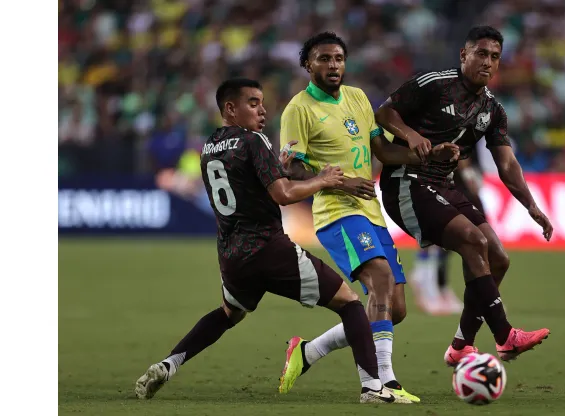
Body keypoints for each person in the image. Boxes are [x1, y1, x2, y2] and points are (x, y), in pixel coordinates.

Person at [135, 78, 402, 404]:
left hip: (231, 254)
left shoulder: (209, 147)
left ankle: (169, 363)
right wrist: (322, 180)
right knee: (350, 304)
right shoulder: (253, 140)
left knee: (228, 313)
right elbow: (283, 194)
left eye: (262, 102)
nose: (262, 110)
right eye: (252, 103)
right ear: (230, 108)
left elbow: (267, 178)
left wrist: (292, 169)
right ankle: (373, 386)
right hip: (267, 247)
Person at [278, 32, 458, 403]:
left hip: (370, 212)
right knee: (379, 278)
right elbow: (292, 169)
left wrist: (428, 156)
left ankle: (308, 351)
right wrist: (339, 182)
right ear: (308, 64)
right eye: (324, 59)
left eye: (339, 58)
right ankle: (381, 383)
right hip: (335, 213)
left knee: (395, 308)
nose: (333, 65)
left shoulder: (358, 98)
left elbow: (382, 151)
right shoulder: (298, 109)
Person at [375, 26, 554, 366]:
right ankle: (505, 336)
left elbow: (507, 162)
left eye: (495, 57)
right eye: (482, 54)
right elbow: (384, 112)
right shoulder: (434, 83)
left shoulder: (493, 109)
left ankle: (461, 345)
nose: (488, 62)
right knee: (473, 241)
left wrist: (532, 206)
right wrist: (411, 135)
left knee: (499, 257)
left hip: (444, 185)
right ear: (464, 55)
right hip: (406, 182)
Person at [411, 157, 484, 316]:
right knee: (436, 234)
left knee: (447, 239)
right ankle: (429, 285)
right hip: (433, 179)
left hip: (450, 181)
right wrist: (467, 171)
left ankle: (438, 286)